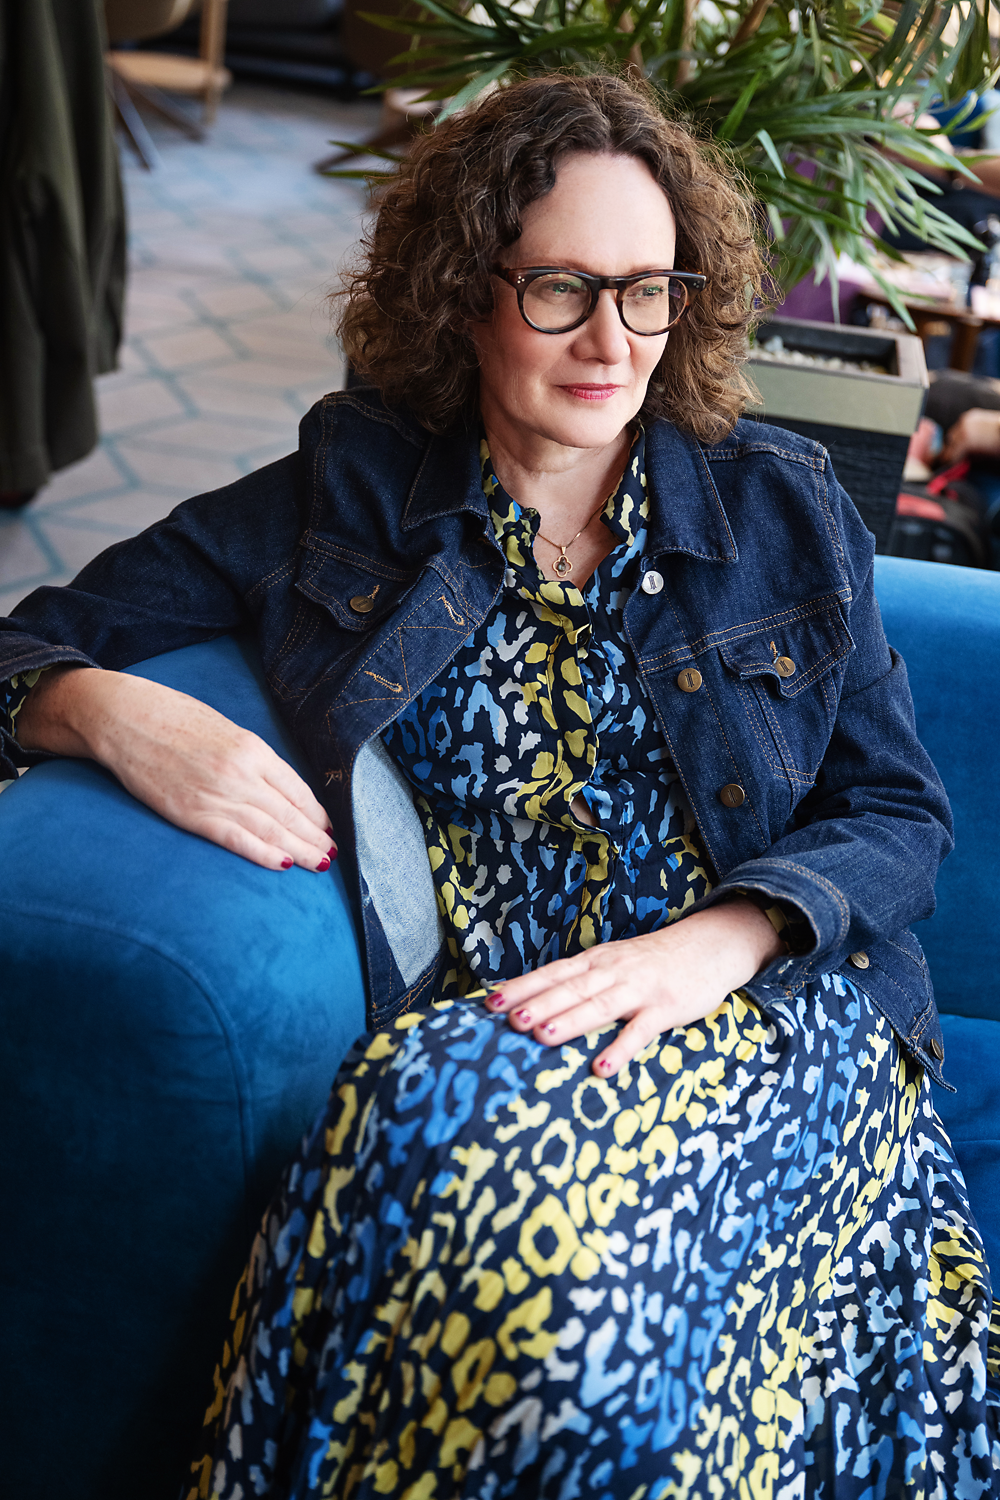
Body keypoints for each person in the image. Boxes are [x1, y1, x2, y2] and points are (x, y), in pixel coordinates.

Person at [0, 73, 996, 1498]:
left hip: (767, 1019)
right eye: (562, 292)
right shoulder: (352, 496)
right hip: (496, 1046)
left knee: (587, 1372)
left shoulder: (778, 508)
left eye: (649, 292)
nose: (612, 341)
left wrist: (714, 945)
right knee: (421, 1136)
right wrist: (101, 711)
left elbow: (902, 818)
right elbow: (32, 636)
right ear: (467, 291)